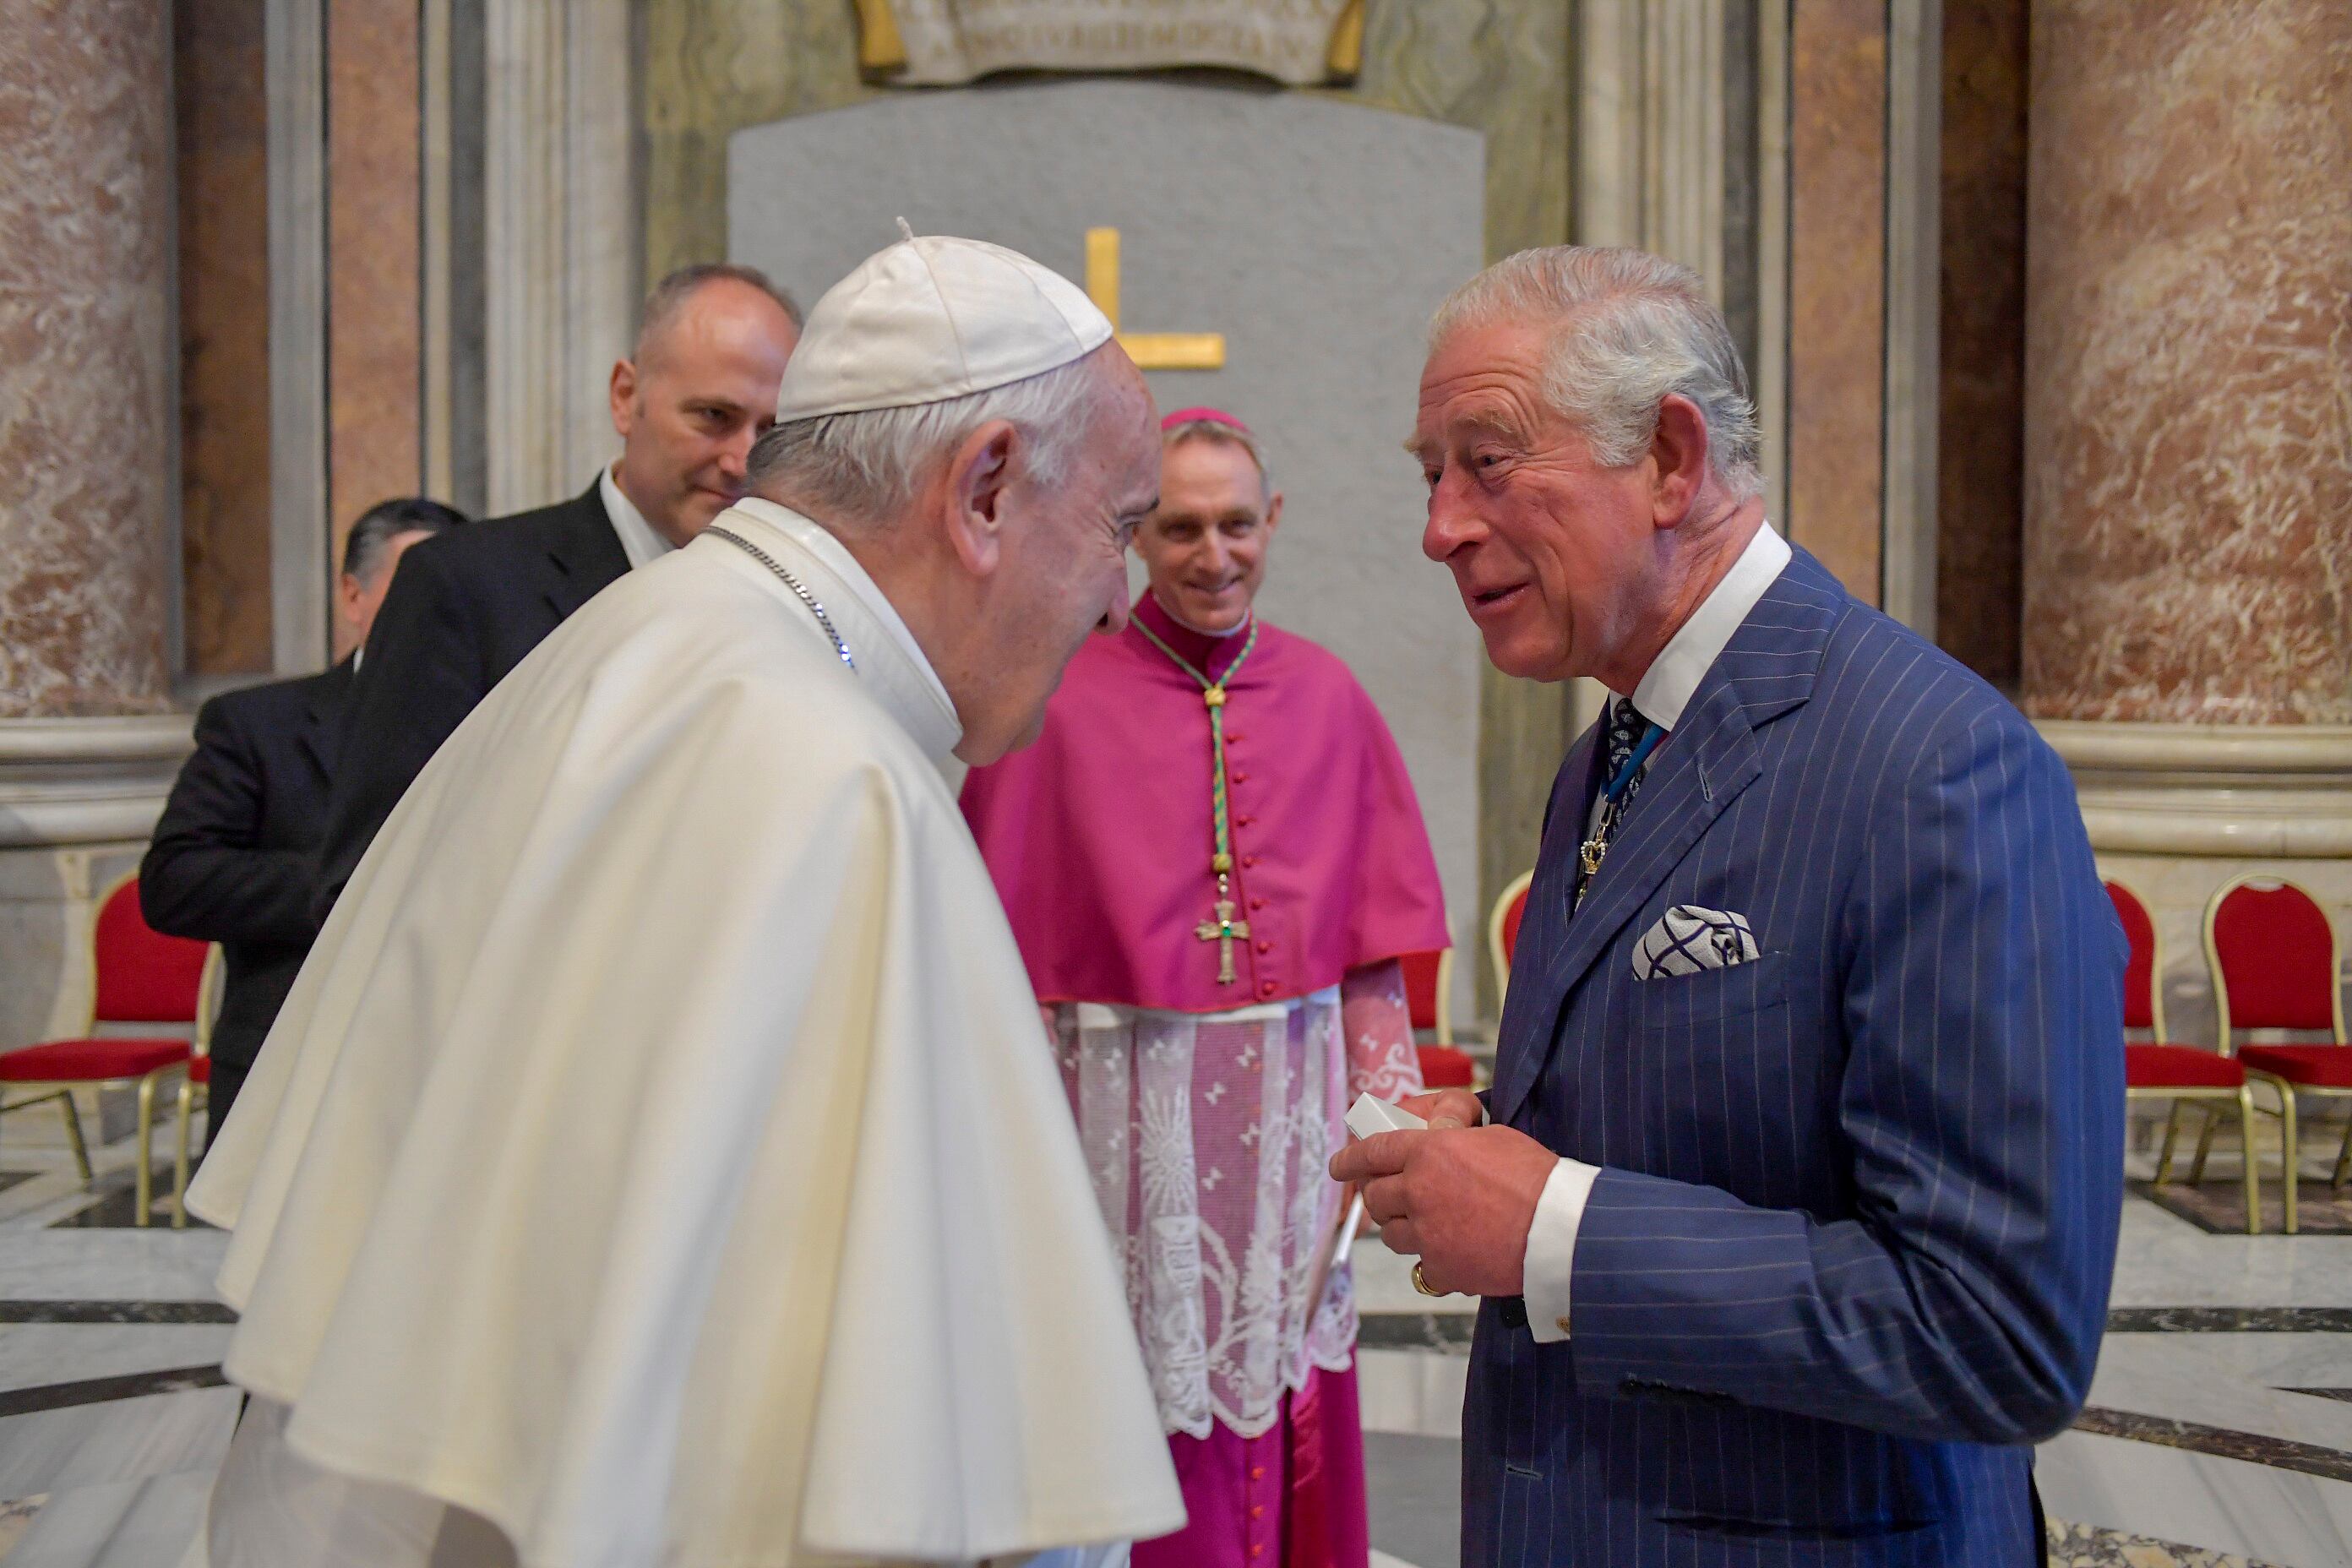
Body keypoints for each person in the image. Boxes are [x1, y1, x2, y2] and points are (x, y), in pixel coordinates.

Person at [181, 233, 1183, 1568]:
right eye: (1118, 529)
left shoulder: (657, 639)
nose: (1120, 604)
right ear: (986, 486)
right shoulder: (830, 777)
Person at [1331, 246, 2124, 1565]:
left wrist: (1555, 1228)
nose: (1441, 527)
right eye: (1431, 473)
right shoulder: (1608, 750)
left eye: (1488, 459)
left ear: (1671, 459)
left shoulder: (1936, 766)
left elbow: (1999, 1328)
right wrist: (1494, 1146)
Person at [960, 407, 1447, 1568]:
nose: (1212, 554)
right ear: (1138, 537)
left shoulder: (1330, 698)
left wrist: (1387, 1132)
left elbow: (1368, 962)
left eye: (1236, 524)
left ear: (1272, 521)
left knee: (1281, 1386)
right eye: (1180, 528)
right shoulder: (1058, 705)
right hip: (1125, 1146)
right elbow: (1008, 982)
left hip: (1288, 1139)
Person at [312, 263, 802, 920]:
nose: (742, 461)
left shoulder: (795, 610)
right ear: (626, 396)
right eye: (714, 417)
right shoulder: (463, 586)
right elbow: (372, 885)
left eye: (771, 432)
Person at [141, 498, 468, 1149]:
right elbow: (177, 880)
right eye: (412, 590)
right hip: (290, 1075)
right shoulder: (259, 725)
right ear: (354, 596)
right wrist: (360, 884)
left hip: (456, 1079)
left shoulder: (516, 723)